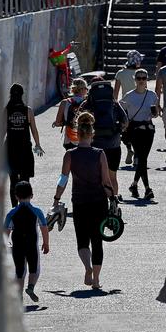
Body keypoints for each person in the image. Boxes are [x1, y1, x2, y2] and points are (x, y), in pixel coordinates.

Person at [53, 112, 118, 291]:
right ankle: (96, 280)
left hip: (79, 202)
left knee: (82, 240)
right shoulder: (100, 154)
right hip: (98, 202)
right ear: (92, 134)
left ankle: (87, 267)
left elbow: (63, 179)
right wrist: (113, 198)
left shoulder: (70, 155)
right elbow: (106, 181)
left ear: (77, 133)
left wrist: (56, 199)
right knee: (97, 241)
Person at [5, 181, 50, 304]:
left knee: (20, 270)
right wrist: (46, 243)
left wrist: (4, 244)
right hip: (31, 244)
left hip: (17, 245)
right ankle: (30, 287)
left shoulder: (11, 213)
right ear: (32, 195)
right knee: (34, 269)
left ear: (16, 196)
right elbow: (44, 228)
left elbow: (5, 232)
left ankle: (19, 295)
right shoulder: (37, 211)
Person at [120, 69, 159, 200]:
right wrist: (124, 124)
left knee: (143, 159)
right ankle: (148, 189)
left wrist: (155, 113)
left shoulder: (152, 95)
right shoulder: (129, 95)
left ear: (147, 79)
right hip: (135, 130)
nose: (141, 81)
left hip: (149, 129)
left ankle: (134, 184)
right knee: (142, 159)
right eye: (139, 78)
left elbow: (157, 113)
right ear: (135, 80)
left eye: (144, 78)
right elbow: (120, 110)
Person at [5, 83, 43, 206]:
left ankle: (14, 207)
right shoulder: (28, 110)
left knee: (13, 180)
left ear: (10, 94)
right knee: (25, 180)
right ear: (22, 95)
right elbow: (34, 130)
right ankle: (25, 206)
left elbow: (1, 131)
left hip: (10, 149)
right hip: (25, 149)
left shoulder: (7, 110)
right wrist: (38, 145)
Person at [54, 78, 89, 150]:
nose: (87, 91)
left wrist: (63, 122)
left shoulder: (64, 102)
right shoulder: (88, 103)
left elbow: (57, 123)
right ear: (82, 89)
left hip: (69, 140)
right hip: (85, 140)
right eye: (86, 88)